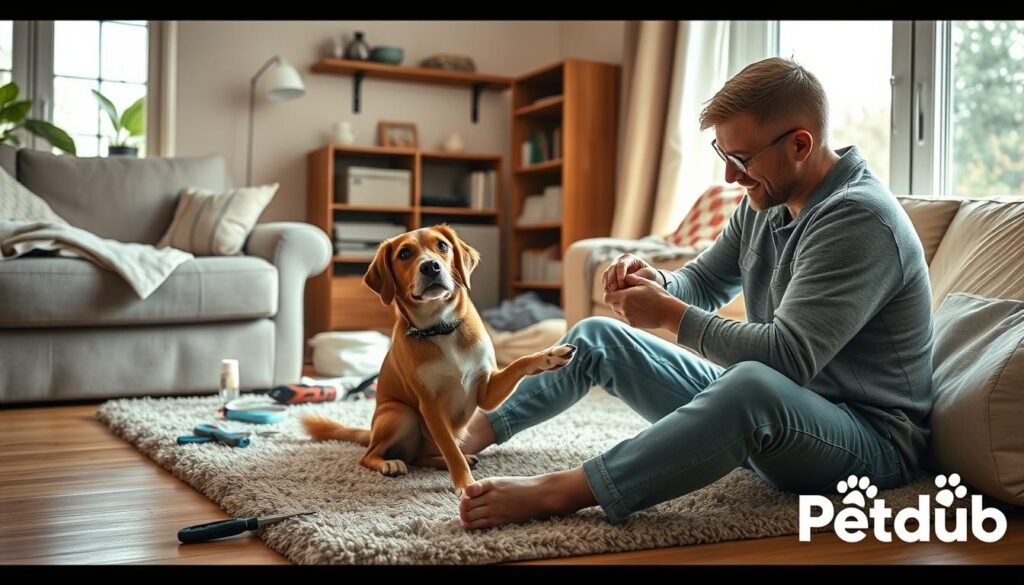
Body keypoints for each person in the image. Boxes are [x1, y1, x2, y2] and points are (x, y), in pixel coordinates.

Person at [457, 57, 934, 529]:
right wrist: (658, 283)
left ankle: (563, 491)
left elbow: (785, 358)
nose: (730, 176)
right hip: (780, 416)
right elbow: (703, 282)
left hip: (870, 443)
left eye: (741, 159)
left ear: (800, 144)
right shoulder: (765, 202)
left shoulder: (858, 219)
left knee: (750, 385)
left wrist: (669, 313)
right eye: (723, 156)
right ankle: (468, 435)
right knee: (598, 336)